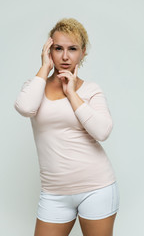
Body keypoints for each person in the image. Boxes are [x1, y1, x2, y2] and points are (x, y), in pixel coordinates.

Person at [14, 18, 120, 236]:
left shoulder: (90, 90)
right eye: (58, 48)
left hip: (96, 188)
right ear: (49, 51)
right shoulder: (35, 86)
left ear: (82, 54)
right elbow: (25, 108)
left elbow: (102, 131)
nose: (65, 56)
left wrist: (72, 93)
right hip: (54, 193)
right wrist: (44, 67)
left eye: (72, 49)